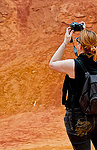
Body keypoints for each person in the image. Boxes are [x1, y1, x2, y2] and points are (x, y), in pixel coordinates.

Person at [49, 22, 97, 150]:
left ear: (80, 46)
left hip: (78, 117)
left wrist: (65, 41)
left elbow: (52, 63)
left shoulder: (73, 65)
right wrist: (86, 34)